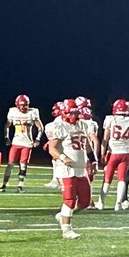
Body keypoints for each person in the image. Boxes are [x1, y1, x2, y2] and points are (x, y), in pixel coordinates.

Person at [47, 100, 92, 239]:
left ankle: (63, 215)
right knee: (69, 200)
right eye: (71, 112)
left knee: (85, 202)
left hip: (81, 167)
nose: (74, 115)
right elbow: (51, 147)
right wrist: (62, 157)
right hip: (66, 168)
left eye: (75, 112)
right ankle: (67, 230)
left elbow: (87, 146)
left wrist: (93, 160)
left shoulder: (83, 124)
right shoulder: (59, 125)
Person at [98, 99, 129, 210]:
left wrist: (102, 153)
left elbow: (105, 139)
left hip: (113, 152)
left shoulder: (110, 119)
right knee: (121, 179)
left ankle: (101, 202)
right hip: (125, 152)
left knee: (107, 178)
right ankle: (118, 204)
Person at [0, 94, 43, 192]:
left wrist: (38, 139)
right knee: (10, 164)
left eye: (25, 105)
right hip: (16, 142)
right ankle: (4, 185)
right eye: (21, 105)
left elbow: (40, 127)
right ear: (17, 105)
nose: (23, 107)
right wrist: (6, 137)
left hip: (27, 143)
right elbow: (7, 125)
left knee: (23, 165)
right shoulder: (12, 112)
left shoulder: (33, 112)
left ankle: (20, 186)